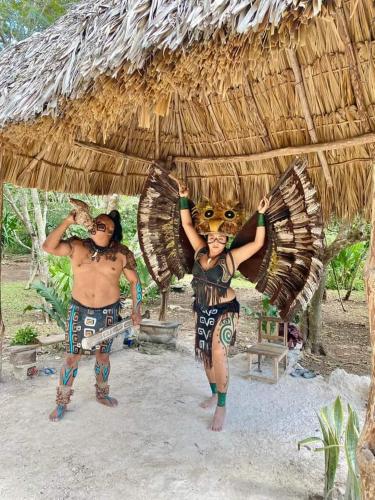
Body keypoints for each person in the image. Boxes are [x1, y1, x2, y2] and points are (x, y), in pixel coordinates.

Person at [177, 182, 269, 431]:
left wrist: (260, 215)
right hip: (202, 309)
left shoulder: (231, 257)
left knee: (218, 352)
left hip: (225, 311)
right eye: (211, 237)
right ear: (206, 237)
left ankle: (222, 405)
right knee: (205, 355)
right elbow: (187, 225)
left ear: (226, 239)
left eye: (220, 238)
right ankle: (213, 393)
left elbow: (258, 244)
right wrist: (184, 198)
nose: (215, 241)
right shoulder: (199, 252)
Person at [43, 209, 142, 422]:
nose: (94, 225)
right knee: (71, 358)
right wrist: (68, 220)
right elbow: (48, 247)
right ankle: (61, 402)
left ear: (110, 231)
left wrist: (137, 309)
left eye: (101, 224)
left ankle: (102, 394)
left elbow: (135, 282)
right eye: (94, 222)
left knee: (103, 357)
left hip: (108, 313)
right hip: (79, 311)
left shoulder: (122, 253)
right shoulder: (77, 245)